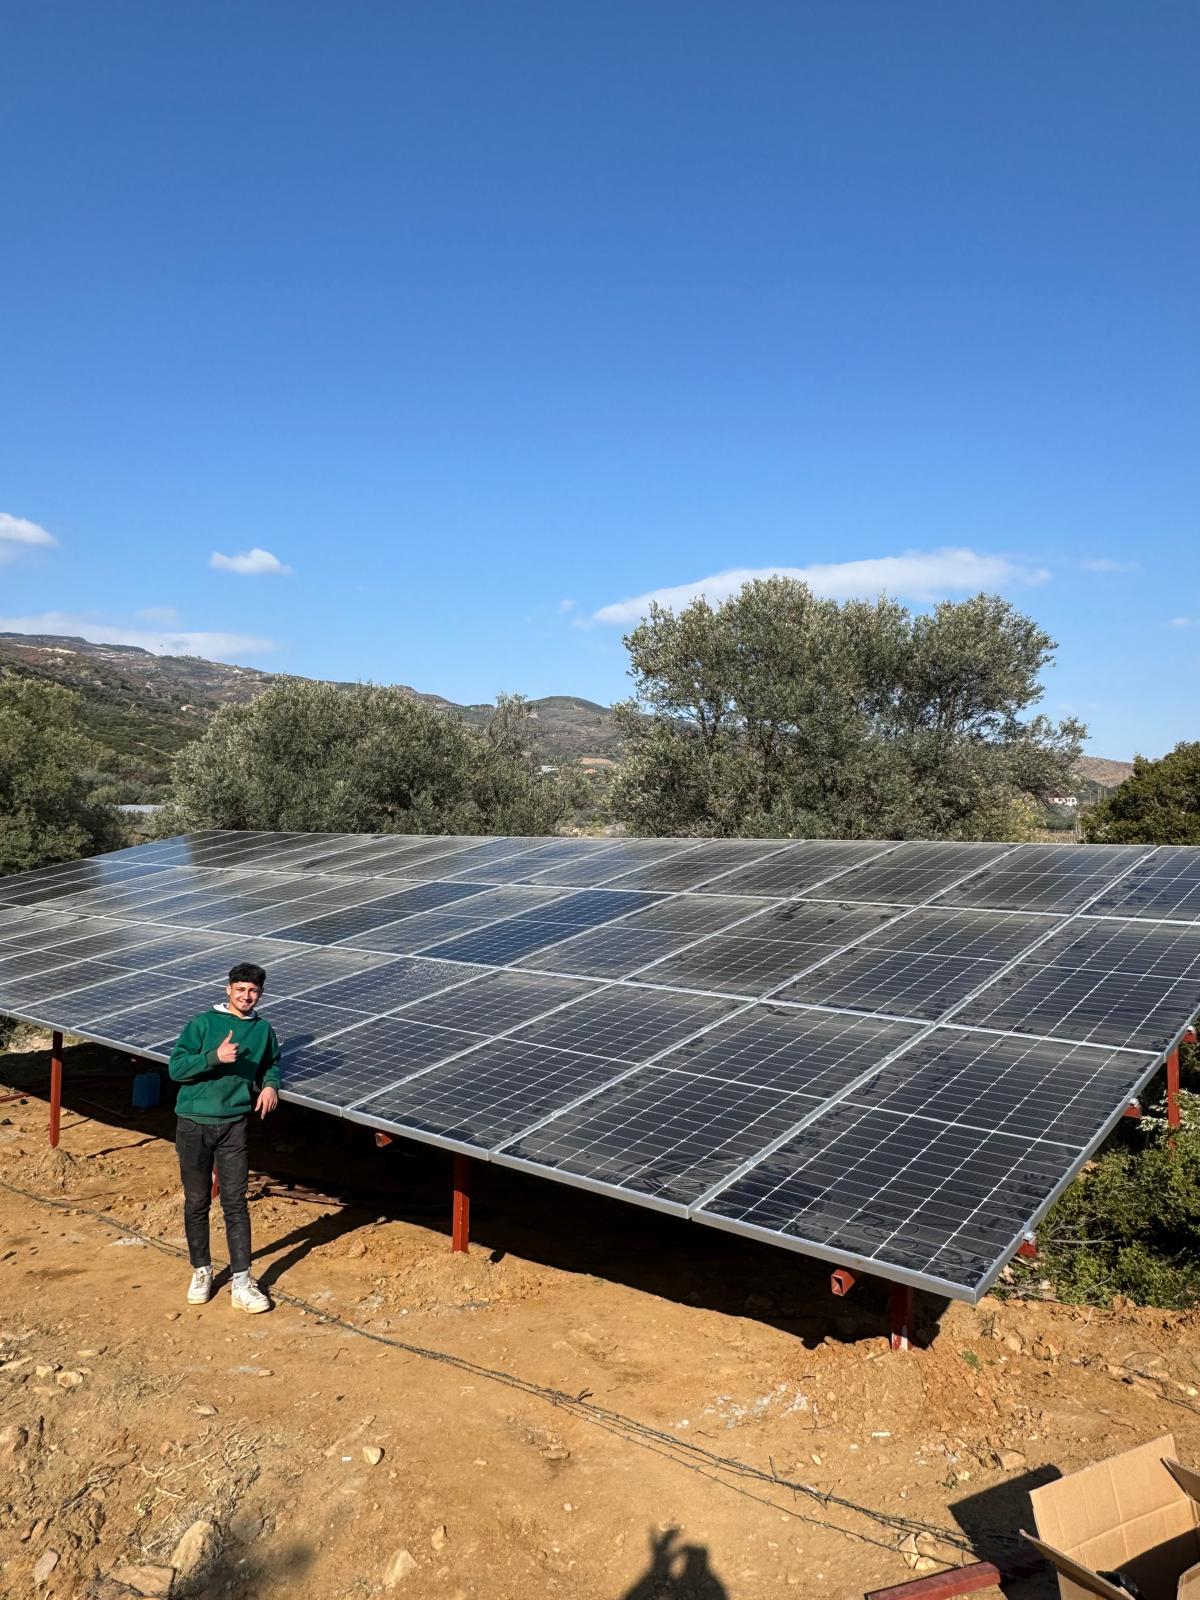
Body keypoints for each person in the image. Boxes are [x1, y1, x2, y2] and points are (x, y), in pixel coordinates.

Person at [168, 961, 281, 1312]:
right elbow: (176, 1069)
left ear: (259, 994)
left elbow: (271, 1063)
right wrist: (213, 1057)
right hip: (193, 1123)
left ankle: (243, 1282)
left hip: (234, 1123)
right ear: (227, 989)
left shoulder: (263, 1030)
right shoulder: (202, 1023)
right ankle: (201, 1270)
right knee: (197, 1200)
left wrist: (271, 1086)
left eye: (253, 991)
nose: (246, 996)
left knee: (235, 1202)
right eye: (241, 989)